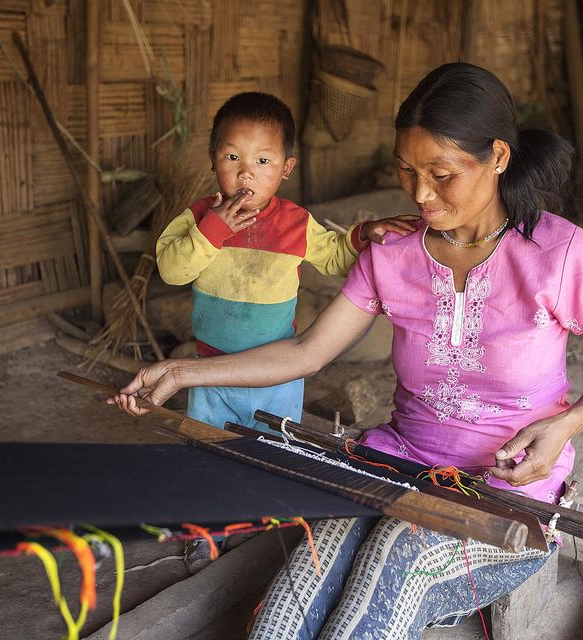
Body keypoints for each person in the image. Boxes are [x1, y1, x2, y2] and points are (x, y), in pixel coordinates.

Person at [112, 64, 583, 639]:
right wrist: (182, 372)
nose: (420, 193)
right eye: (407, 170)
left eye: (441, 174)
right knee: (296, 595)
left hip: (507, 489)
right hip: (394, 459)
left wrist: (566, 426)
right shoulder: (393, 252)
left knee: (389, 570)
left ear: (497, 156)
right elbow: (307, 352)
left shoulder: (559, 252)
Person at [155, 91, 417, 432]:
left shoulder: (296, 223)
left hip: (276, 375)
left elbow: (336, 258)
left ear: (286, 168)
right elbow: (171, 272)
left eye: (263, 161)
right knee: (207, 445)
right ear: (212, 158)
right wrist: (212, 231)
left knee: (274, 449)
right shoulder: (199, 217)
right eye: (232, 157)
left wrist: (364, 233)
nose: (246, 173)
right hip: (210, 370)